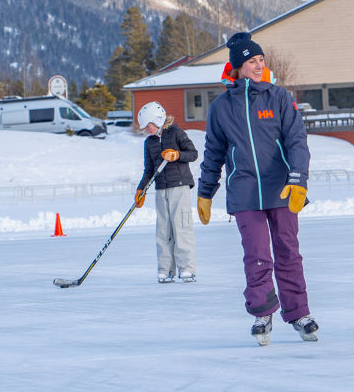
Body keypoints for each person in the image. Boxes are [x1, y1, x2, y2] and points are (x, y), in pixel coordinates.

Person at [197, 32, 318, 346]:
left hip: (282, 189)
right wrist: (205, 191)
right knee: (257, 255)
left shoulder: (278, 97)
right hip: (244, 192)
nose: (258, 65)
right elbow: (212, 153)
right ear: (237, 66)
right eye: (252, 61)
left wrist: (298, 180)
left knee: (288, 253)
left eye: (261, 60)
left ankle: (299, 313)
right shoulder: (221, 107)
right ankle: (262, 313)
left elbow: (296, 141)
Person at [134, 101, 198, 284]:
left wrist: (177, 155)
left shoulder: (176, 133)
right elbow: (149, 170)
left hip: (180, 187)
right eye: (145, 127)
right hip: (161, 189)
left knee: (181, 228)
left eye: (149, 125)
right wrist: (141, 189)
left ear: (158, 120)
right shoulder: (149, 143)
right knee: (163, 231)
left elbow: (193, 154)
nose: (147, 129)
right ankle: (165, 270)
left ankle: (187, 269)